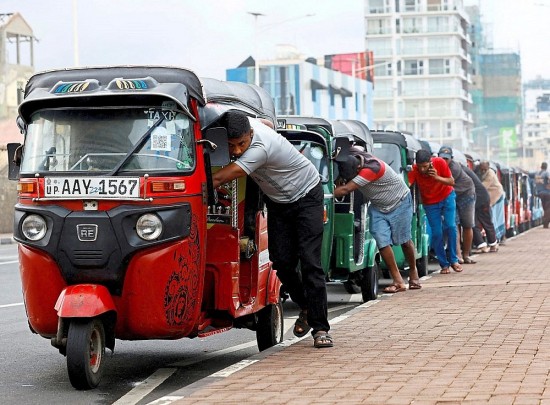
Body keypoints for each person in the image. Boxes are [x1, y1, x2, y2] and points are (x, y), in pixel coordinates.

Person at [212, 110, 333, 348]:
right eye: (231, 145)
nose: (236, 151)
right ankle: (307, 307)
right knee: (282, 262)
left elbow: (221, 177)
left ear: (251, 134)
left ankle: (321, 329)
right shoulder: (251, 124)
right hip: (278, 202)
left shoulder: (260, 147)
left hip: (307, 195)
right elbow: (264, 121)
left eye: (241, 144)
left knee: (310, 262)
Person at [334, 147, 422, 293]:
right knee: (382, 242)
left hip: (400, 202)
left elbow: (345, 190)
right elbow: (346, 148)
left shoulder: (372, 169)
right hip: (378, 206)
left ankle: (413, 273)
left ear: (358, 168)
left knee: (404, 241)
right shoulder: (355, 156)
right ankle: (398, 281)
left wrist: (322, 193)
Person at [408, 149, 462, 274]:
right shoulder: (415, 169)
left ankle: (454, 260)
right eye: (420, 166)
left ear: (430, 162)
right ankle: (444, 264)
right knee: (437, 233)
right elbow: (408, 184)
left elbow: (451, 181)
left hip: (446, 197)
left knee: (450, 226)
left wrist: (436, 177)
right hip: (430, 203)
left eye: (425, 166)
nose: (422, 169)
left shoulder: (440, 162)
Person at [438, 146, 476, 265]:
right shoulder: (435, 165)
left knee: (467, 225)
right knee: (453, 225)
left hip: (466, 194)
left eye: (447, 159)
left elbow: (443, 184)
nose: (444, 161)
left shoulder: (454, 168)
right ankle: (458, 256)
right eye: (441, 158)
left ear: (451, 159)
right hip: (451, 195)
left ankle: (466, 255)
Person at [463, 164, 499, 253]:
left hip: (481, 198)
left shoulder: (461, 171)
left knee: (480, 221)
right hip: (478, 197)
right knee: (478, 222)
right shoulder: (467, 170)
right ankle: (486, 244)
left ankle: (488, 244)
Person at [477, 160, 505, 243]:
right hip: (491, 196)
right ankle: (497, 237)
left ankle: (498, 236)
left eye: (484, 169)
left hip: (497, 196)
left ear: (488, 167)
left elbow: (483, 187)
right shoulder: (483, 172)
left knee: (495, 217)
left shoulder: (490, 174)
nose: (483, 171)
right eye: (481, 169)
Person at [534, 162, 550, 228]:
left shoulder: (537, 173)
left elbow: (528, 173)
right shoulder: (546, 173)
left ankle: (545, 222)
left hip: (540, 193)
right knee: (548, 209)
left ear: (541, 167)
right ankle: (545, 223)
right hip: (547, 193)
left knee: (545, 208)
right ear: (546, 167)